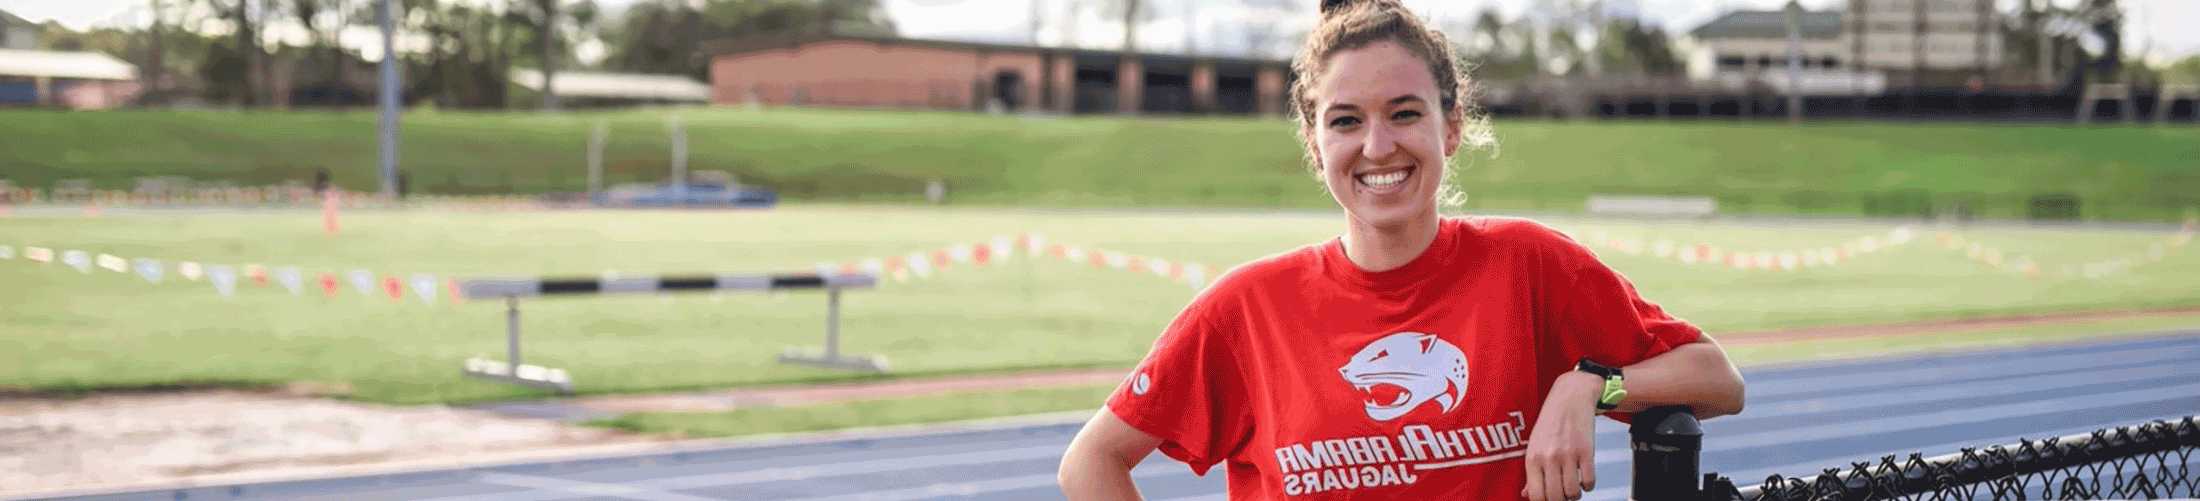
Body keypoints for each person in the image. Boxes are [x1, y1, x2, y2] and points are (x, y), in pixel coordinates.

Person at [1055, 0, 1746, 499]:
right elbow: (1090, 463)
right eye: (1346, 120)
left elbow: (1718, 379)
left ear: (1451, 127)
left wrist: (1592, 384)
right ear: (1314, 140)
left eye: (1404, 113)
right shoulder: (1247, 308)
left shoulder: (1529, 266)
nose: (1377, 147)